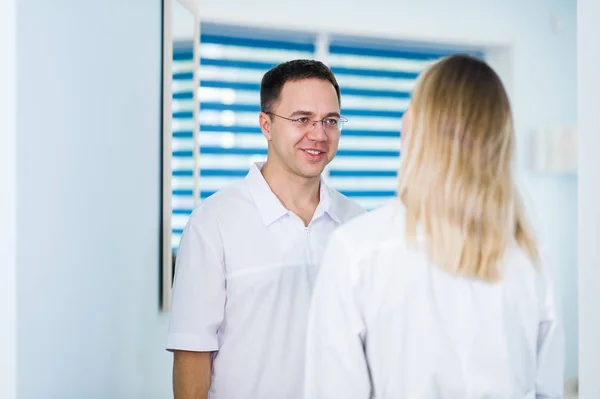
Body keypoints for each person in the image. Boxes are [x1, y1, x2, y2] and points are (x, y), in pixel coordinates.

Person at [304, 54, 565, 398]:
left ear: (418, 128)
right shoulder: (530, 257)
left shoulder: (358, 252)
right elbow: (548, 389)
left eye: (413, 104)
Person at [166, 59, 365, 399]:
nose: (318, 134)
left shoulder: (357, 223)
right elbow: (192, 355)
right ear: (266, 125)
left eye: (330, 121)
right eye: (302, 119)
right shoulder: (213, 222)